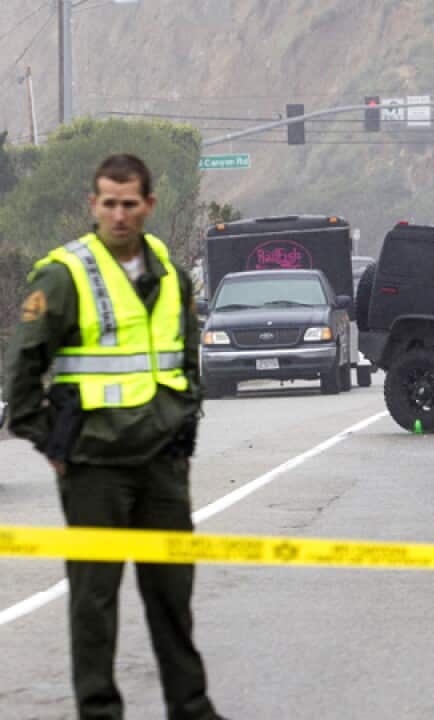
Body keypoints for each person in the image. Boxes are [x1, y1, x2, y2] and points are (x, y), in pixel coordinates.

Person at [2, 155, 223, 720]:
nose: (119, 215)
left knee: (173, 596)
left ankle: (191, 708)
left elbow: (186, 358)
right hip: (94, 466)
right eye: (108, 203)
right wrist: (53, 443)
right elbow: (23, 368)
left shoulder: (170, 273)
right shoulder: (65, 273)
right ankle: (100, 712)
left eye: (129, 204)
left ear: (148, 205)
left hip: (162, 464)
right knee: (95, 602)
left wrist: (184, 425)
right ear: (93, 205)